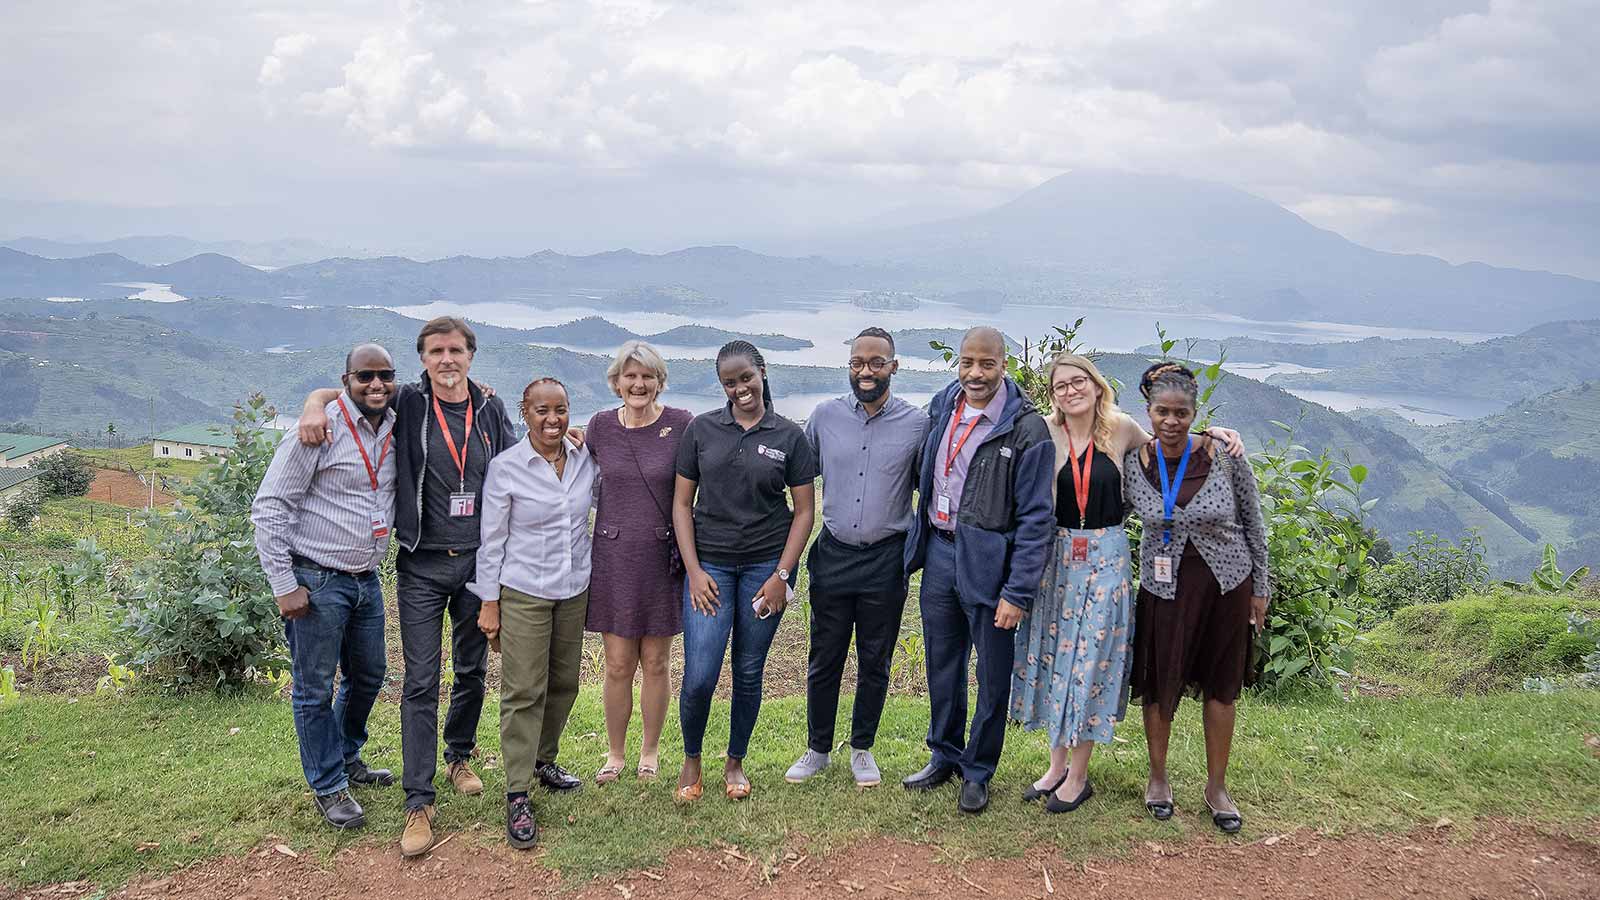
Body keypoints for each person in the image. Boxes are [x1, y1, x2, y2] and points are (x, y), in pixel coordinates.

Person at [297, 316, 533, 859]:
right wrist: (314, 401)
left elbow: (517, 466)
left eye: (456, 350)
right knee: (421, 680)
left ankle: (458, 757)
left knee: (473, 669)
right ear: (423, 359)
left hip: (479, 564)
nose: (447, 360)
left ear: (471, 355)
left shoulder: (492, 409)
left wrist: (567, 437)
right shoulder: (405, 402)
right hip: (421, 565)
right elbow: (355, 391)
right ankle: (418, 801)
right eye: (436, 351)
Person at [1010, 353, 1246, 814]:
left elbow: (1171, 446)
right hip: (1056, 558)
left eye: (1079, 381)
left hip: (1106, 559)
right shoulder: (1044, 430)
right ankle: (1056, 766)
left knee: (1090, 663)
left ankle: (1078, 776)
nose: (1070, 391)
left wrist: (1216, 434)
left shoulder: (1120, 430)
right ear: (1051, 393)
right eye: (1060, 386)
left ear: (1097, 386)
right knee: (1058, 659)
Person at [902, 326, 1055, 815]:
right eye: (967, 362)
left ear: (1003, 365)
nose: (975, 373)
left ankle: (978, 770)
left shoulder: (1026, 429)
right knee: (942, 664)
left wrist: (1018, 591)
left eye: (986, 364)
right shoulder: (945, 403)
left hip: (992, 566)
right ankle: (943, 755)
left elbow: (1037, 519)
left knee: (991, 675)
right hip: (940, 552)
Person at [251, 343, 399, 830]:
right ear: (347, 380)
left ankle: (346, 755)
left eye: (385, 375)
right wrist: (283, 584)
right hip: (316, 580)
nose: (375, 385)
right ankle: (328, 785)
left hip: (366, 579)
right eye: (365, 377)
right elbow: (271, 506)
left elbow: (450, 396)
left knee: (370, 674)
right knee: (313, 689)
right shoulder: (318, 430)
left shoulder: (394, 425)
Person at [1123, 363, 1271, 834]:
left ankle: (1217, 786)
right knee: (1159, 681)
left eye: (1181, 412)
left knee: (1221, 685)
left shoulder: (1225, 455)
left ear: (1194, 412)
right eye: (1162, 412)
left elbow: (1254, 523)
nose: (1171, 421)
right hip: (1164, 588)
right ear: (1147, 412)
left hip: (1227, 585)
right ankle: (1159, 778)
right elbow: (1104, 505)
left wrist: (1261, 589)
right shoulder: (1135, 463)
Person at [672, 340, 817, 802]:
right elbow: (680, 504)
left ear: (762, 372)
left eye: (746, 378)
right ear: (722, 386)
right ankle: (692, 757)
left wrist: (783, 574)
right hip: (710, 567)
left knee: (749, 670)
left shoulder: (789, 436)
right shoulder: (701, 431)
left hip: (763, 569)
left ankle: (735, 761)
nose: (740, 389)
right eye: (730, 383)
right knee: (700, 673)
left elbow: (804, 512)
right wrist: (693, 571)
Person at [785, 327, 928, 788]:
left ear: (893, 366)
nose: (866, 371)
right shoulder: (824, 417)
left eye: (876, 362)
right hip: (833, 553)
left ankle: (862, 747)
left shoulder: (917, 424)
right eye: (857, 363)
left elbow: (934, 487)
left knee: (875, 658)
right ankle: (817, 748)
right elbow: (799, 476)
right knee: (824, 656)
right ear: (850, 366)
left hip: (886, 559)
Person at [467, 378, 595, 850]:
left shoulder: (584, 459)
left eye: (560, 409)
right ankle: (518, 791)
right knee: (524, 689)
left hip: (573, 587)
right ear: (524, 413)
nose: (552, 419)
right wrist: (489, 601)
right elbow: (492, 539)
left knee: (564, 682)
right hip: (523, 591)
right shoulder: (507, 468)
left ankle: (544, 760)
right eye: (542, 410)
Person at [584, 341, 692, 784]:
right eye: (630, 376)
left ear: (659, 381)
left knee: (658, 661)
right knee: (616, 663)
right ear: (616, 382)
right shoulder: (599, 427)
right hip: (613, 555)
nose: (638, 384)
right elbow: (578, 474)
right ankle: (615, 753)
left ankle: (650, 752)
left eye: (646, 376)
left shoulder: (682, 424)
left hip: (661, 557)